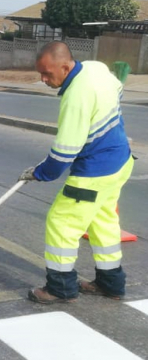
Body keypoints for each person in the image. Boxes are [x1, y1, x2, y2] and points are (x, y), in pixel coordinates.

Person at [21, 41, 134, 305]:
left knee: (61, 223)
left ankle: (60, 288)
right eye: (41, 73)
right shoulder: (96, 68)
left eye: (47, 74)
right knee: (103, 221)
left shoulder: (76, 97)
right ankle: (111, 283)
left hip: (95, 172)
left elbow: (64, 153)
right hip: (121, 161)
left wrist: (39, 173)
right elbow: (118, 91)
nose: (43, 79)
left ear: (64, 66)